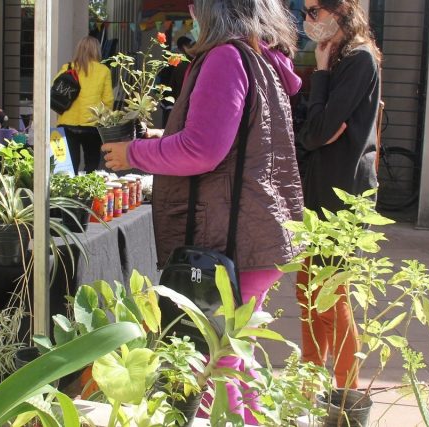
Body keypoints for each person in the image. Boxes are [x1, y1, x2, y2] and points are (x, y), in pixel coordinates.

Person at [101, 0, 303, 419]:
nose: (191, 9)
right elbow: (231, 139)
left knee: (217, 364)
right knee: (233, 359)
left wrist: (133, 152)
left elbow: (202, 151)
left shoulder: (226, 57)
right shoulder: (262, 57)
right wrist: (166, 134)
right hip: (256, 232)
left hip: (230, 238)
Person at [294, 0, 383, 390]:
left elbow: (316, 132)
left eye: (314, 11)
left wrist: (324, 72)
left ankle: (346, 391)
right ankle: (310, 382)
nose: (307, 19)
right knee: (308, 292)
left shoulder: (358, 61)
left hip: (345, 195)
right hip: (323, 190)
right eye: (306, 11)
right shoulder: (342, 58)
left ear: (340, 12)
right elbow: (314, 130)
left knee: (332, 293)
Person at [56, 36, 114, 172]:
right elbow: (108, 100)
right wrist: (106, 120)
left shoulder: (67, 67)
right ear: (96, 51)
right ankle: (88, 191)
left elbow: (55, 91)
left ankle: (69, 192)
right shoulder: (103, 70)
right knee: (92, 164)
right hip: (92, 124)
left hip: (67, 122)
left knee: (68, 166)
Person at [158, 36, 195, 126]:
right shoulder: (182, 63)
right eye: (190, 46)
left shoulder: (178, 60)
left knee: (167, 126)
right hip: (174, 100)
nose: (193, 49)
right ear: (184, 47)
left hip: (169, 100)